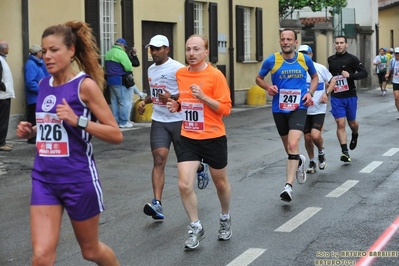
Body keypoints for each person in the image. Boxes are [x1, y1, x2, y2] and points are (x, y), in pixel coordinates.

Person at [16, 21, 122, 265]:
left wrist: (79, 121)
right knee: (42, 256)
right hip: (44, 179)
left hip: (78, 179)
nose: (47, 57)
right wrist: (30, 129)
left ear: (71, 51)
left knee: (91, 251)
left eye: (54, 50)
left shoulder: (85, 86)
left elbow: (116, 134)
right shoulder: (43, 85)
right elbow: (50, 126)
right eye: (44, 51)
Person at [166, 34, 232, 249]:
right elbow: (185, 101)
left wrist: (204, 97)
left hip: (213, 136)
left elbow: (226, 109)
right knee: (184, 184)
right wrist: (177, 106)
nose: (191, 54)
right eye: (188, 49)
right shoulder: (180, 74)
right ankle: (195, 226)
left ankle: (224, 217)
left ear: (206, 52)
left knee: (220, 183)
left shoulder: (216, 76)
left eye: (196, 49)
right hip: (188, 136)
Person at [138, 35, 210, 221]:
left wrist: (173, 97)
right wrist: (144, 101)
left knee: (185, 161)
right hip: (159, 120)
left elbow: (190, 91)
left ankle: (201, 167)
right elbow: (155, 93)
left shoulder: (178, 68)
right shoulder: (151, 69)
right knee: (159, 159)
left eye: (158, 48)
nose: (154, 52)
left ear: (167, 49)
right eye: (151, 48)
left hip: (178, 120)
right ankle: (157, 204)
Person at [255, 29, 318, 203]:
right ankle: (299, 160)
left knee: (293, 144)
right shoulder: (272, 60)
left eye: (289, 39)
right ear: (280, 42)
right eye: (283, 39)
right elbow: (258, 78)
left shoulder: (304, 59)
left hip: (299, 107)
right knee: (289, 149)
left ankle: (288, 187)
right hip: (279, 109)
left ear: (295, 42)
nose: (286, 42)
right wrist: (268, 87)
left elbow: (314, 77)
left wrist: (310, 93)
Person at [328, 35, 368, 163]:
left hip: (350, 96)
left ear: (346, 44)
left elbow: (364, 73)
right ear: (334, 45)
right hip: (336, 96)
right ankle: (344, 151)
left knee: (352, 123)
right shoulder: (331, 60)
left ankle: (355, 134)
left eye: (341, 43)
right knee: (340, 123)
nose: (339, 45)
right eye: (337, 43)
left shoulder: (352, 59)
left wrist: (350, 75)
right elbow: (329, 77)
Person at [298, 45, 336, 174]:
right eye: (301, 54)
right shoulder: (296, 69)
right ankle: (312, 161)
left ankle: (321, 152)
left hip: (318, 108)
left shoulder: (319, 68)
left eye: (306, 53)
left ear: (311, 55)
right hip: (303, 109)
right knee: (307, 138)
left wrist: (326, 93)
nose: (303, 56)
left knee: (315, 135)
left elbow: (333, 81)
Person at [104, 37, 134, 128]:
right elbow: (129, 67)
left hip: (110, 80)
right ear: (122, 45)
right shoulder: (121, 53)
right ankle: (123, 122)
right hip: (120, 80)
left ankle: (115, 121)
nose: (125, 48)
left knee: (114, 102)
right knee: (123, 102)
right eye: (125, 47)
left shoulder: (108, 53)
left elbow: (104, 67)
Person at [24, 44, 49, 144]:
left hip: (40, 96)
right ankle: (31, 137)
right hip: (34, 97)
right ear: (38, 53)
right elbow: (30, 83)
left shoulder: (39, 63)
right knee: (33, 118)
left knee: (39, 117)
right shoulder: (31, 64)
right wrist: (43, 89)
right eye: (42, 52)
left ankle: (37, 136)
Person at [0, 40, 15, 151]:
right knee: (3, 120)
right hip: (2, 96)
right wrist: (4, 88)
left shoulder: (2, 59)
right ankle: (1, 143)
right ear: (3, 49)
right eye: (7, 46)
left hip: (4, 95)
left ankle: (2, 141)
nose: (9, 48)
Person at [385, 47, 399, 120]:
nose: (397, 55)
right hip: (396, 81)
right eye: (396, 53)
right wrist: (387, 74)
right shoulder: (392, 61)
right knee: (396, 98)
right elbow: (389, 69)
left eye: (398, 53)